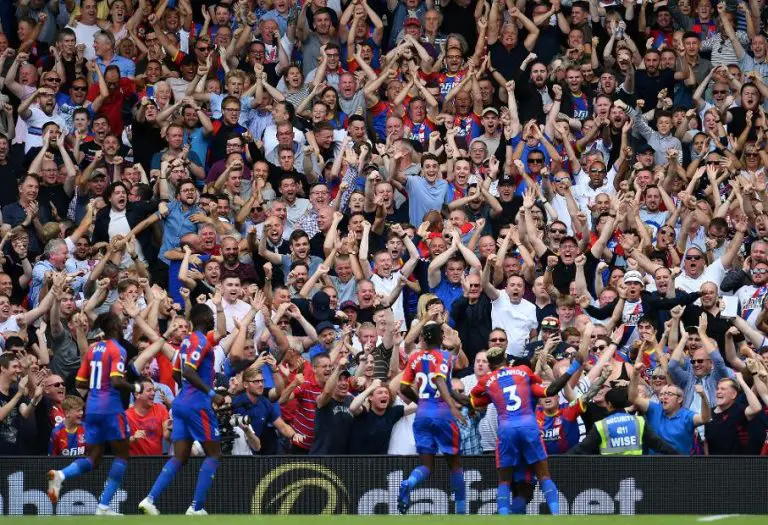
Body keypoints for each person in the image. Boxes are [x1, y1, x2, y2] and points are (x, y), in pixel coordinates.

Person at [138, 296, 228, 516]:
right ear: (205, 319)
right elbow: (188, 371)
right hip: (197, 404)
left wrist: (187, 391)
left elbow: (178, 372)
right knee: (214, 454)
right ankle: (196, 507)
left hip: (181, 403)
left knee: (180, 456)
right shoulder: (200, 341)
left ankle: (149, 499)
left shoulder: (186, 343)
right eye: (211, 316)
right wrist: (212, 394)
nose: (213, 320)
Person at [46, 313, 144, 515]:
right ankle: (104, 506)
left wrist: (98, 382)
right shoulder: (118, 349)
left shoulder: (93, 349)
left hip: (92, 407)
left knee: (94, 457)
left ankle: (61, 475)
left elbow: (80, 382)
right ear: (115, 327)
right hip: (111, 408)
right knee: (122, 455)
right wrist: (135, 387)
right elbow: (116, 381)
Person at [469, 347, 582, 515]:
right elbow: (548, 390)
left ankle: (504, 517)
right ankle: (557, 516)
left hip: (506, 431)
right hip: (529, 428)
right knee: (543, 476)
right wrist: (574, 368)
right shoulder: (523, 372)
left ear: (490, 365)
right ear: (506, 358)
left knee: (505, 481)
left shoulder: (487, 380)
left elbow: (473, 398)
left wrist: (477, 400)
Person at [398, 321, 466, 515]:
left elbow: (403, 388)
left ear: (422, 338)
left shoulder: (414, 357)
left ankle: (409, 482)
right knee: (455, 464)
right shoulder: (446, 357)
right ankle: (461, 512)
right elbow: (452, 371)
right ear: (441, 337)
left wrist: (420, 402)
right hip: (443, 413)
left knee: (426, 465)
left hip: (422, 415)